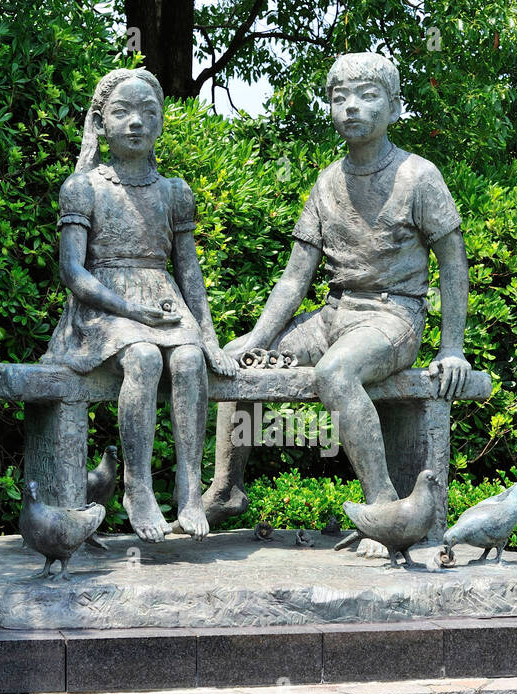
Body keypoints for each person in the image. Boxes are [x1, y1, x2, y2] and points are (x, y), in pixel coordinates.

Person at [202, 52, 472, 554]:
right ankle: (226, 488)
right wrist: (256, 340)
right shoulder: (328, 181)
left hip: (393, 318)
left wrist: (451, 345)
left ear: (394, 107)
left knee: (335, 373)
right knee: (243, 363)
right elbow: (293, 280)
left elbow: (454, 263)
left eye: (368, 96)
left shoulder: (419, 176)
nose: (351, 107)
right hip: (332, 315)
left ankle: (385, 508)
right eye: (339, 97)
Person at [43, 68, 237, 542]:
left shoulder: (174, 192)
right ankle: (138, 486)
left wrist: (209, 338)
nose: (136, 122)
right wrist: (130, 311)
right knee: (145, 358)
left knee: (189, 361)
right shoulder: (84, 188)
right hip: (103, 307)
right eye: (122, 112)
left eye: (148, 112)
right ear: (101, 121)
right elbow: (73, 273)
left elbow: (189, 273)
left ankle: (190, 490)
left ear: (161, 122)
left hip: (163, 299)